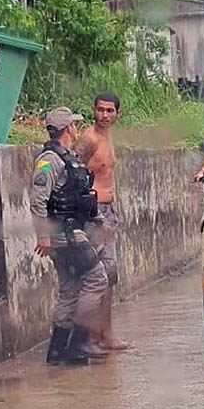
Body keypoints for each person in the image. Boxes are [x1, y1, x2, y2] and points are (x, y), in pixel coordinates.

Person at [31, 107, 110, 366]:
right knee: (97, 278)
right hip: (64, 235)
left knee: (70, 289)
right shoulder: (49, 160)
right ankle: (77, 343)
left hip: (70, 231)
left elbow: (79, 198)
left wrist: (97, 221)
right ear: (67, 129)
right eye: (74, 125)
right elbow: (38, 200)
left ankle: (58, 351)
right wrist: (43, 235)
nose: (77, 128)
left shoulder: (67, 158)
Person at [76, 92, 130, 351]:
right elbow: (75, 173)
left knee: (109, 273)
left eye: (110, 111)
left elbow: (107, 175)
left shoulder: (109, 138)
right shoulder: (89, 139)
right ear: (93, 110)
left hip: (107, 210)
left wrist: (114, 206)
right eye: (100, 110)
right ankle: (89, 336)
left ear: (118, 114)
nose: (104, 115)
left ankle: (105, 333)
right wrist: (88, 212)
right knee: (96, 273)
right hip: (93, 212)